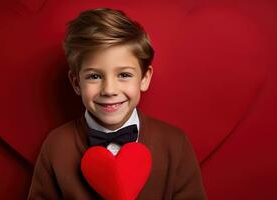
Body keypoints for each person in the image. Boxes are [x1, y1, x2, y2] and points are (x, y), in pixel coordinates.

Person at [27, 8, 207, 200]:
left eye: (124, 75)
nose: (109, 90)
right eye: (94, 76)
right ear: (76, 83)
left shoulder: (175, 144)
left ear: (144, 78)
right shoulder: (56, 146)